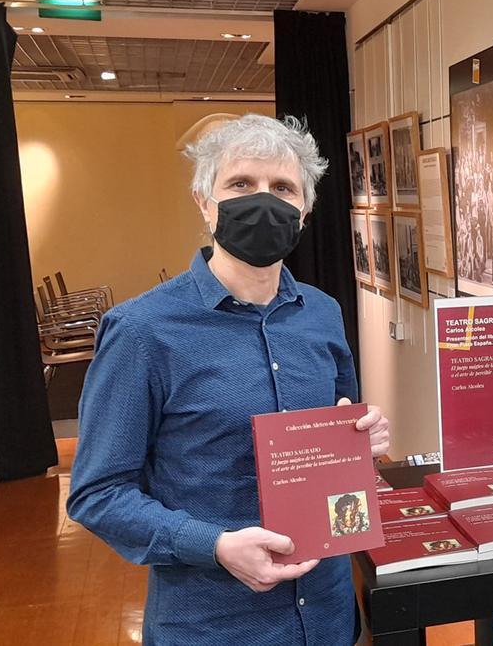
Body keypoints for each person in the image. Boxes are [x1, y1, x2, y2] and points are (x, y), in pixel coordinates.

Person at [67, 114, 391, 645]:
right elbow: (98, 493)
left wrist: (365, 438)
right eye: (241, 184)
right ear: (204, 200)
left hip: (329, 616)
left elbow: (341, 428)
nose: (264, 200)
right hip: (213, 623)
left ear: (304, 210)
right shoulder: (143, 331)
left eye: (282, 187)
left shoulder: (323, 314)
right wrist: (212, 544)